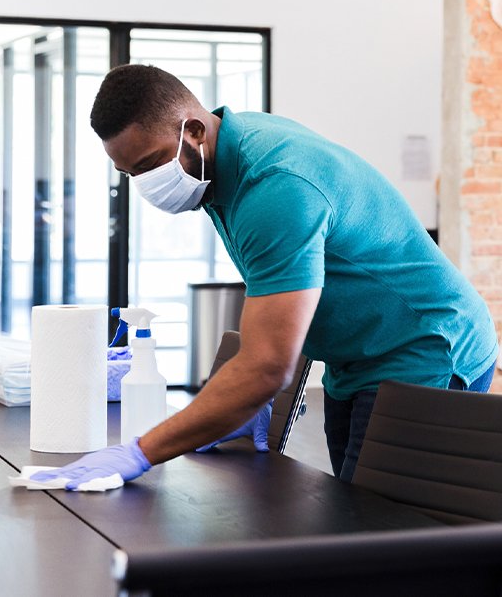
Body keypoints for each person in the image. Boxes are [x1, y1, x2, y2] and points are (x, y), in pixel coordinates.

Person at [32, 64, 499, 490]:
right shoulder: (220, 162)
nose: (146, 183)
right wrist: (243, 394)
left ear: (193, 131)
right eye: (129, 173)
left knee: (382, 534)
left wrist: (140, 452)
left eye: (150, 164)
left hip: (425, 346)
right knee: (350, 512)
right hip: (355, 357)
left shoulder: (275, 184)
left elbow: (267, 363)